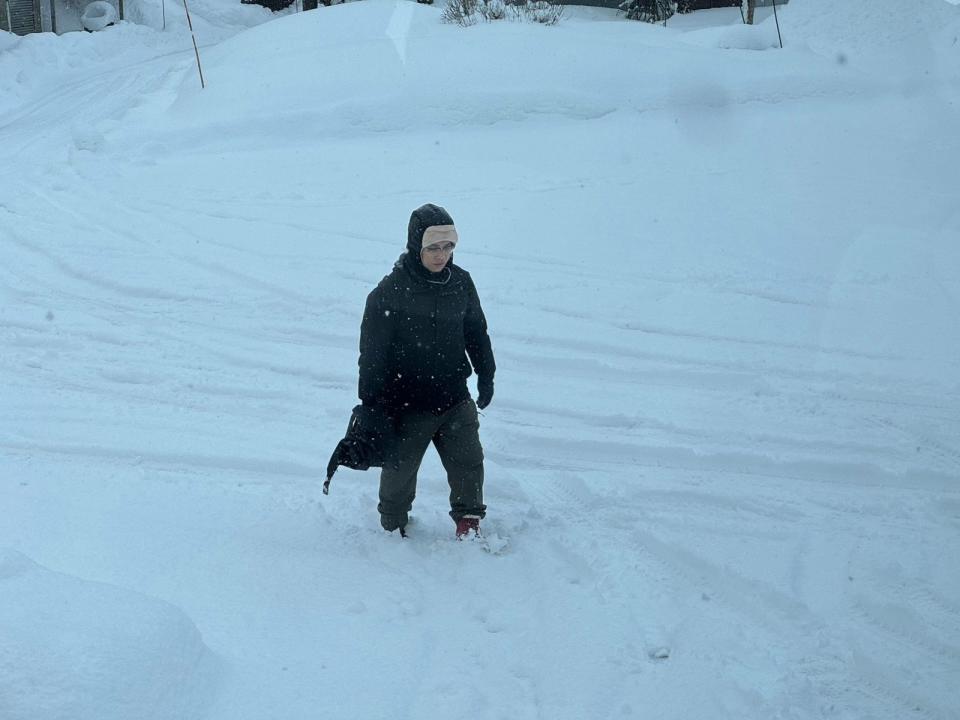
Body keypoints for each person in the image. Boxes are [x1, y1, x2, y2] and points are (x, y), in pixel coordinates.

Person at [358, 203, 496, 539]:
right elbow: (372, 356)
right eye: (433, 247)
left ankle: (469, 520)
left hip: (453, 396)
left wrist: (485, 374)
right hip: (407, 403)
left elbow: (476, 332)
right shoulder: (388, 293)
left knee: (468, 462)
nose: (441, 256)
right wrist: (373, 405)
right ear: (416, 245)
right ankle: (393, 525)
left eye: (448, 247)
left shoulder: (461, 283)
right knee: (399, 473)